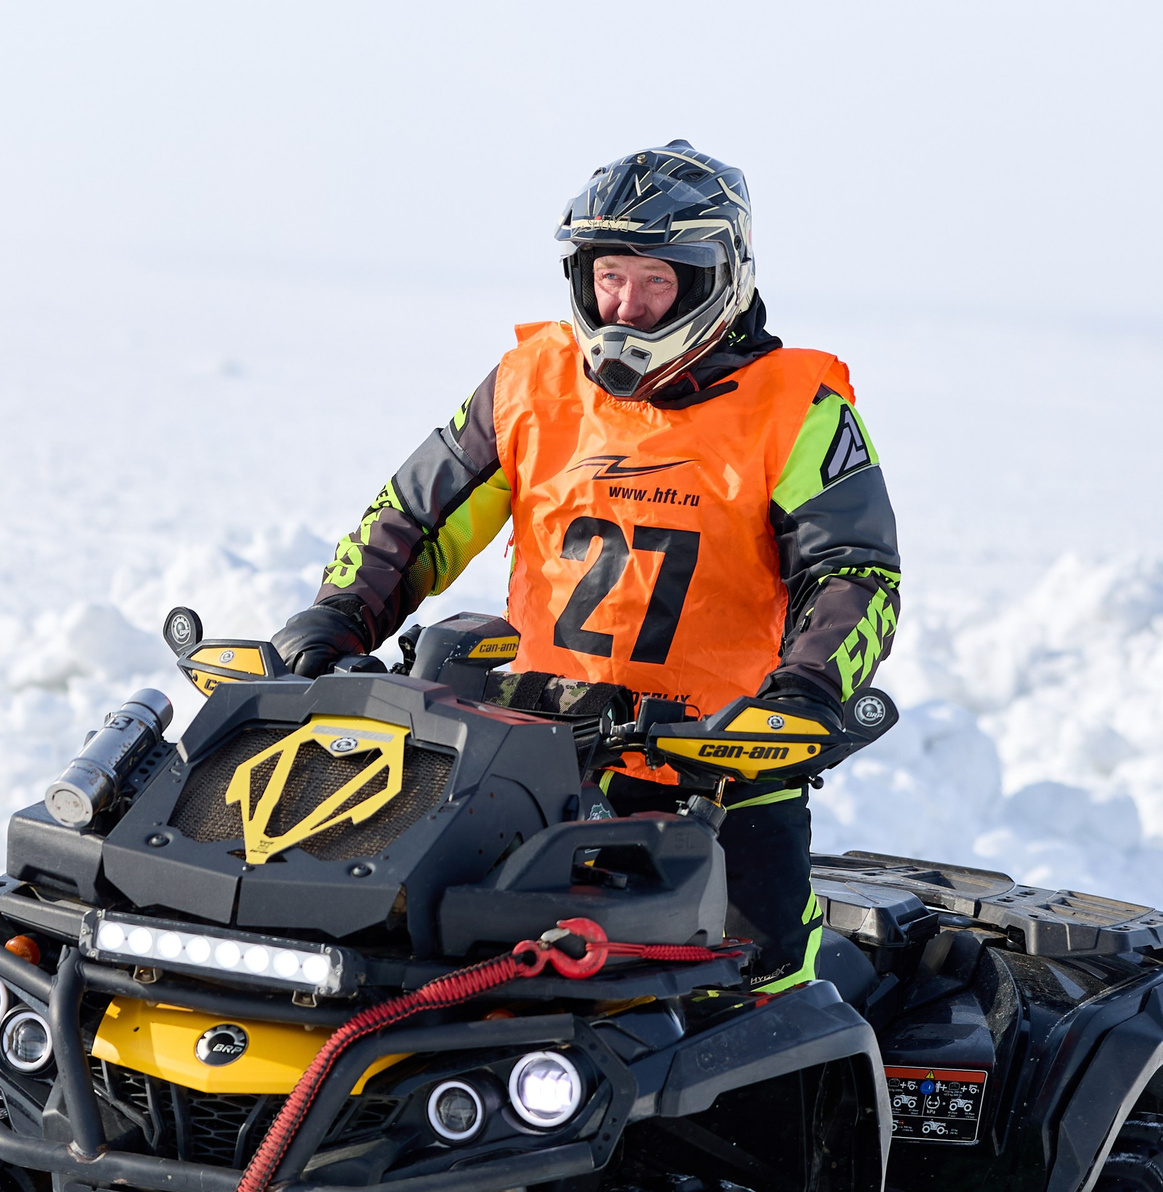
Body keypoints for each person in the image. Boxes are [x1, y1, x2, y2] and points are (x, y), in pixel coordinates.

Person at [271, 141, 901, 988]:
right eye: (610, 278)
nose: (627, 307)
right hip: (528, 762)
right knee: (429, 970)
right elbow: (414, 520)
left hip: (723, 774)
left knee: (758, 1000)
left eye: (655, 282)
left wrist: (807, 693)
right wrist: (338, 614)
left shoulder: (799, 411)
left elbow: (854, 574)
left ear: (718, 279)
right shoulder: (530, 384)